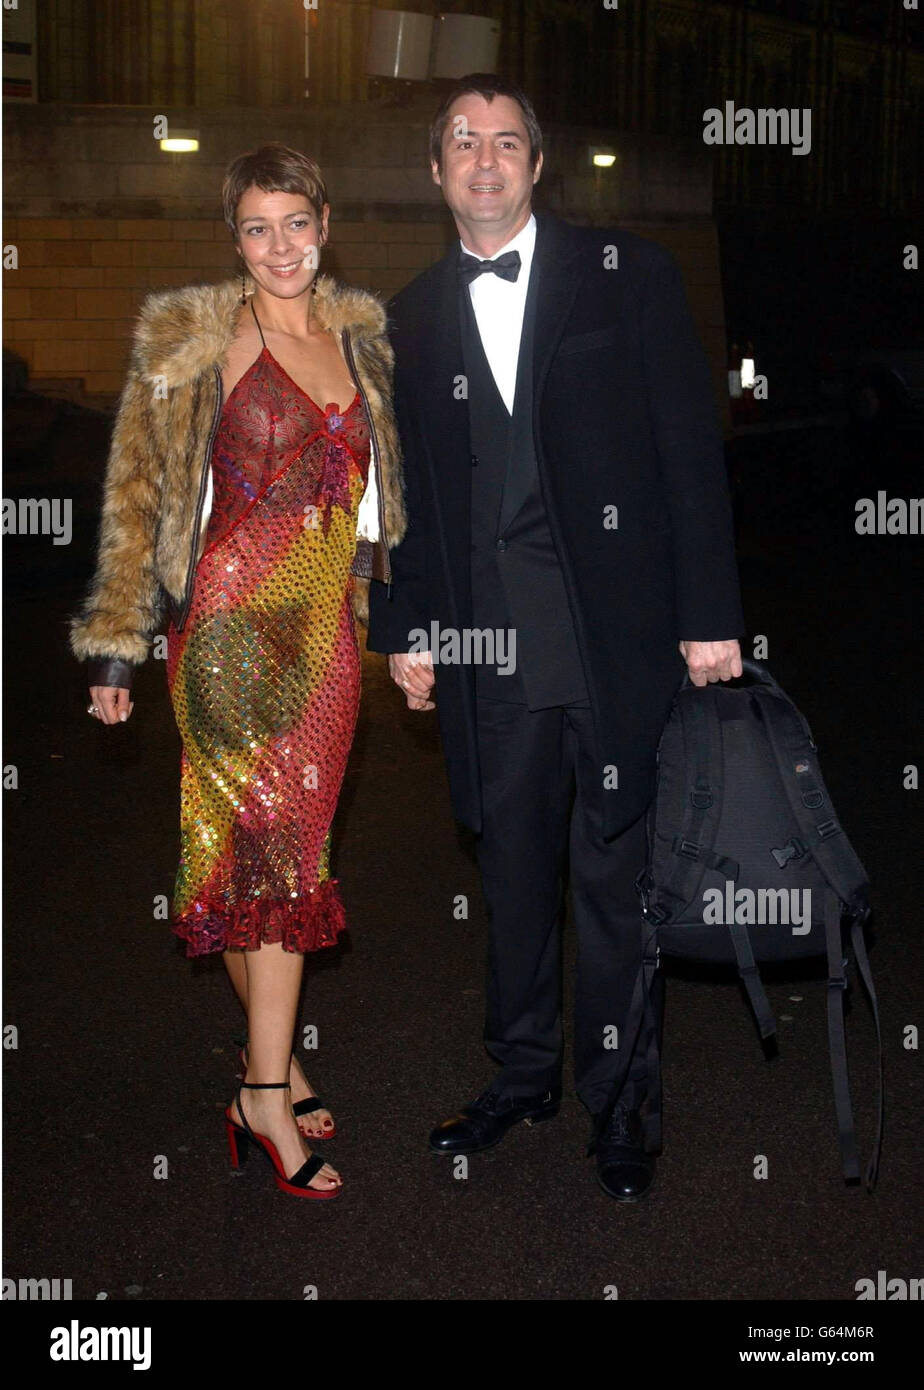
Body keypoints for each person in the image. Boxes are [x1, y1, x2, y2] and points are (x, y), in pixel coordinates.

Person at [366, 76, 744, 1201]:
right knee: (514, 876)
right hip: (489, 656)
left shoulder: (628, 277)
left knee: (616, 884)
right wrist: (404, 629)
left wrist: (710, 617)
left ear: (537, 164)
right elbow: (406, 500)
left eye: (507, 141)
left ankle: (620, 1105)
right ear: (436, 171)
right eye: (462, 143)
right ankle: (522, 1074)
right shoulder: (407, 313)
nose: (485, 159)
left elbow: (688, 451)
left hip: (614, 643)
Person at [70, 143, 405, 1200]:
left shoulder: (365, 343)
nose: (279, 247)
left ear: (325, 223)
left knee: (250, 862)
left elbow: (375, 518)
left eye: (296, 222)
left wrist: (404, 628)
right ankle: (263, 1093)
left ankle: (278, 1063)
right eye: (256, 227)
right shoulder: (197, 338)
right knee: (271, 861)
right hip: (222, 630)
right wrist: (118, 640)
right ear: (234, 237)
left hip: (326, 637)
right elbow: (134, 490)